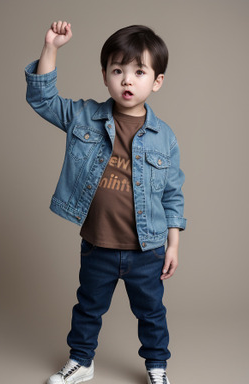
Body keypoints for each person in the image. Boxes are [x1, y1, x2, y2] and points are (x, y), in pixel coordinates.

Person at [25, 21, 187, 384]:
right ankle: (81, 362)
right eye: (118, 70)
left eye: (139, 72)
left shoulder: (165, 138)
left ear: (156, 81)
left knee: (151, 313)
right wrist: (51, 47)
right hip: (98, 243)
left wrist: (174, 243)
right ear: (105, 76)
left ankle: (157, 367)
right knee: (88, 307)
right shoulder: (85, 116)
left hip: (147, 249)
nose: (127, 80)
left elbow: (173, 193)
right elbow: (42, 100)